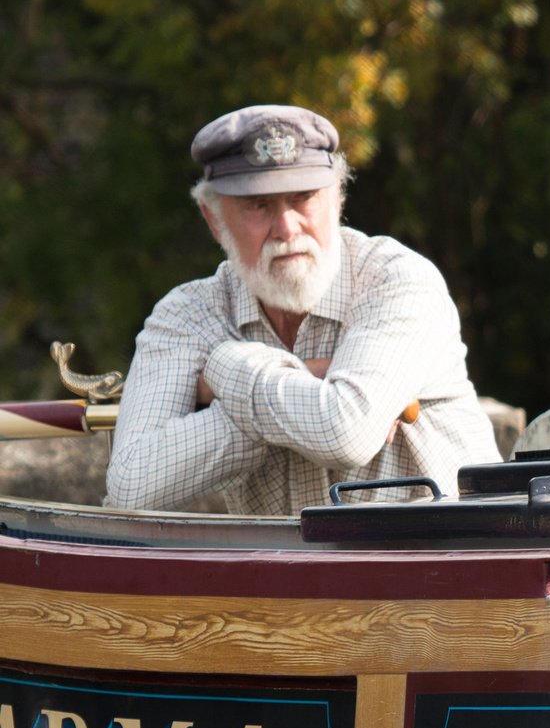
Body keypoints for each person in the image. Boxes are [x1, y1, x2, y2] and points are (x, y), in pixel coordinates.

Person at [106, 105, 501, 514]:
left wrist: (225, 369)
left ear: (337, 197)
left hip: (444, 564)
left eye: (304, 198)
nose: (287, 227)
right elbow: (132, 485)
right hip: (285, 574)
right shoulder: (187, 315)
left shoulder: (396, 280)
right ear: (214, 219)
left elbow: (343, 433)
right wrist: (305, 390)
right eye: (259, 205)